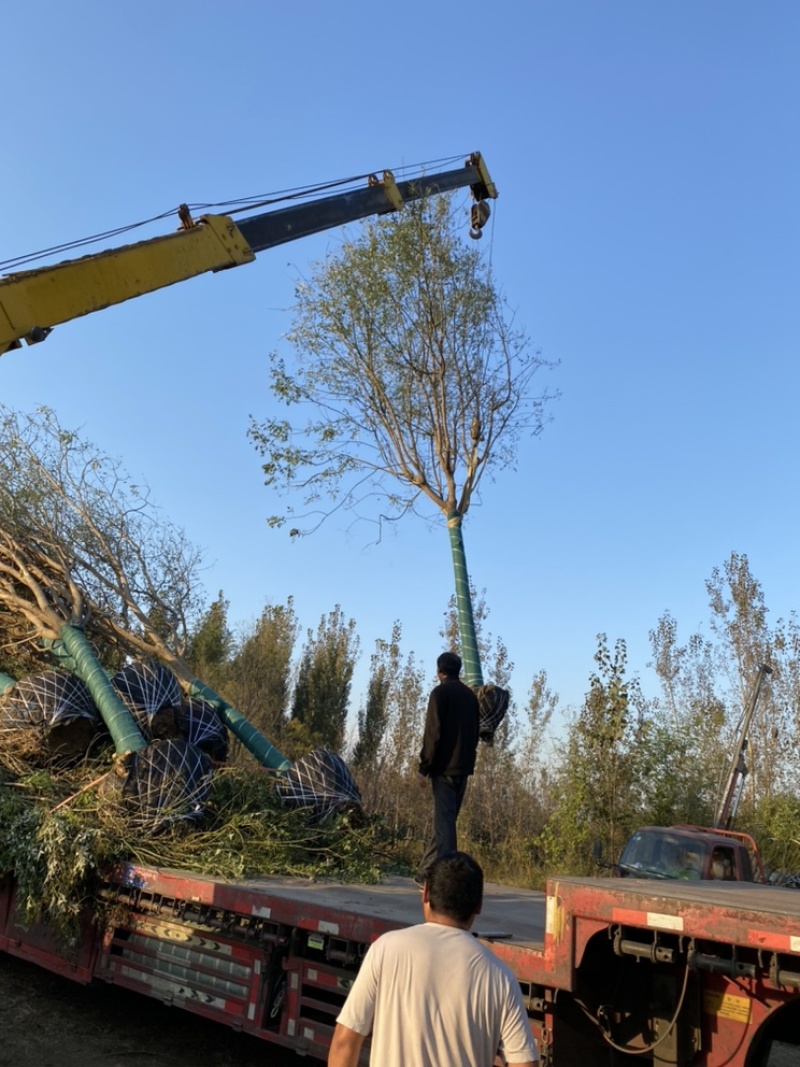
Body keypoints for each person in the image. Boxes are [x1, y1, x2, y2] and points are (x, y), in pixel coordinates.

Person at [328, 852, 539, 1067]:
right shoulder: (500, 977)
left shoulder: (385, 950)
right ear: (479, 905)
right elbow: (524, 1063)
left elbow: (345, 1043)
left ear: (425, 893)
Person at [416, 651, 480, 883]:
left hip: (443, 769)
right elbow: (475, 734)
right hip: (463, 768)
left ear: (439, 671)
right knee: (446, 822)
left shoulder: (439, 693)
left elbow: (433, 733)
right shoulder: (470, 697)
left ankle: (447, 881)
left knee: (444, 826)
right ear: (458, 670)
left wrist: (424, 767)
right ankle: (424, 873)